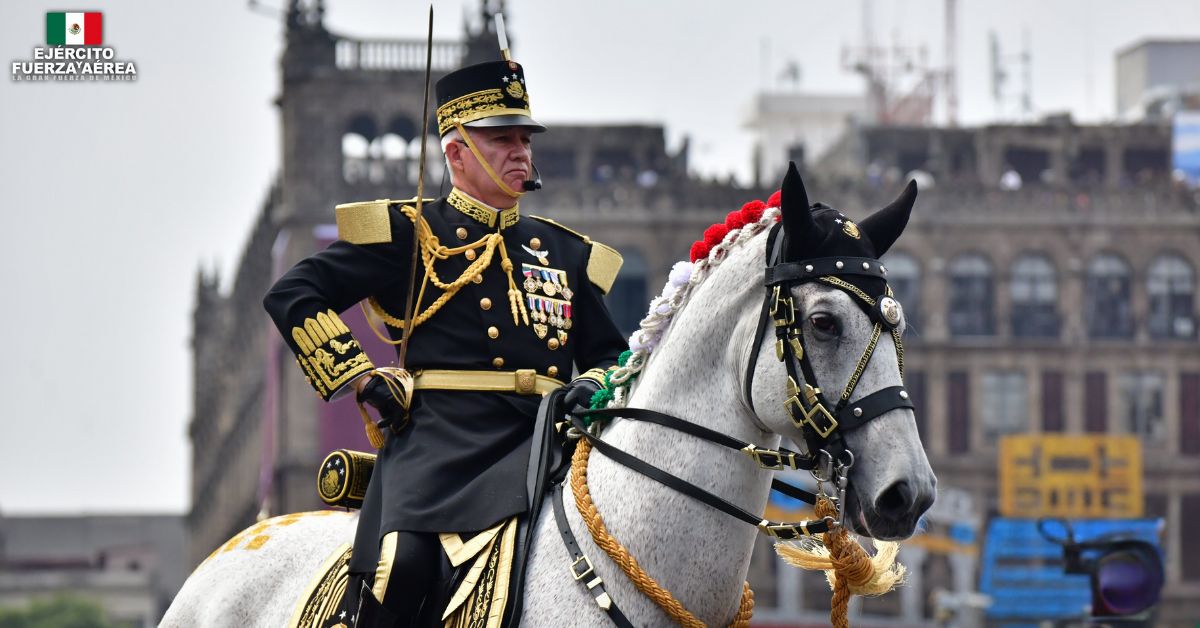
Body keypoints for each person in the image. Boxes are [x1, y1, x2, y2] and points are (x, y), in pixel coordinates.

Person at [263, 57, 627, 626]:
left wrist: (593, 384)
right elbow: (294, 294)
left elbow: (610, 354)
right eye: (501, 139)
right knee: (401, 567)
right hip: (441, 443)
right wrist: (361, 375)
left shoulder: (565, 253)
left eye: (524, 139)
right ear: (458, 153)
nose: (520, 153)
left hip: (545, 442)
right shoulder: (411, 232)